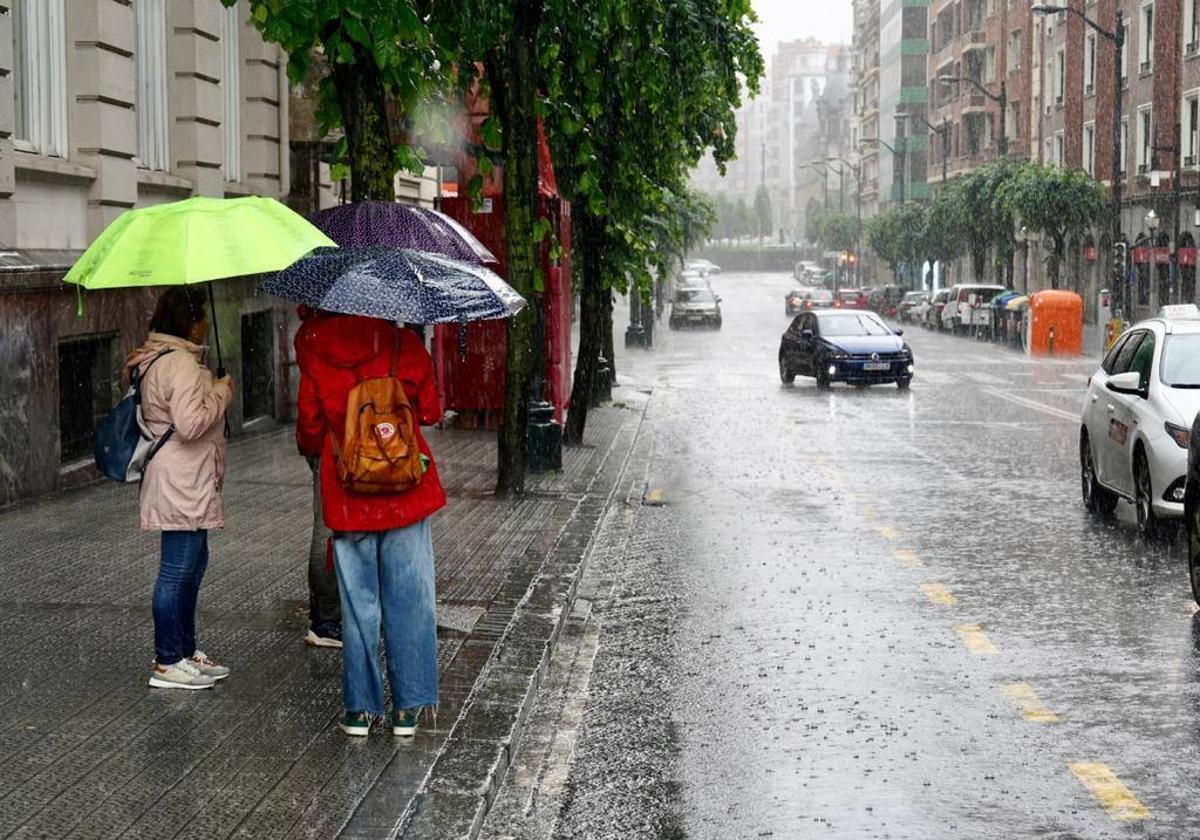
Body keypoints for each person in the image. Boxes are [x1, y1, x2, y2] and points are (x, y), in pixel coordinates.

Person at [295, 314, 445, 737]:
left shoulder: (314, 342)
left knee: (357, 604)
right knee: (411, 600)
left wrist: (329, 446)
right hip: (404, 492)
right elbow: (431, 411)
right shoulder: (405, 344)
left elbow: (309, 426)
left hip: (349, 492)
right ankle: (407, 709)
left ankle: (360, 711)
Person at [124, 286, 235, 690]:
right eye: (202, 316)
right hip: (182, 480)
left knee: (191, 567)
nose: (206, 324)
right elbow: (190, 425)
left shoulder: (160, 358)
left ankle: (185, 651)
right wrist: (221, 391)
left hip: (182, 477)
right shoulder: (181, 365)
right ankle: (168, 660)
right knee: (176, 572)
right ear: (190, 322)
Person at [295, 306, 342, 649]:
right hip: (368, 443)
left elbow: (310, 407)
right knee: (346, 529)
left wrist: (316, 450)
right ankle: (334, 617)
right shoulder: (373, 331)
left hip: (327, 442)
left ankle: (325, 616)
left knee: (326, 526)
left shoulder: (310, 334)